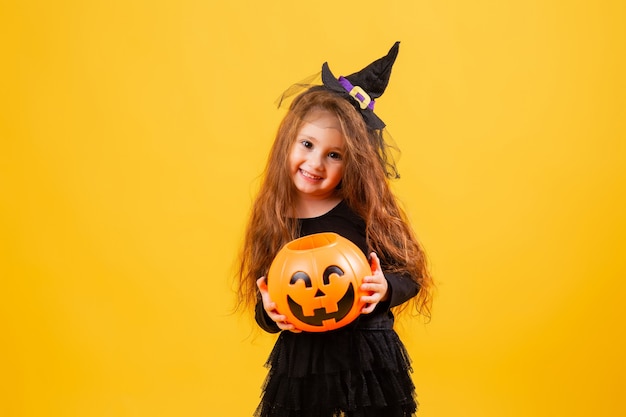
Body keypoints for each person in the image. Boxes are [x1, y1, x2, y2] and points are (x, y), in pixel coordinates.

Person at [236, 42, 433, 417]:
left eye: (334, 155)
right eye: (307, 145)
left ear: (353, 162)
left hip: (367, 355)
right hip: (304, 362)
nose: (315, 163)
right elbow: (268, 294)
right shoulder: (276, 216)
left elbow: (410, 274)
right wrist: (269, 313)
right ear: (287, 145)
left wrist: (386, 288)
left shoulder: (363, 211)